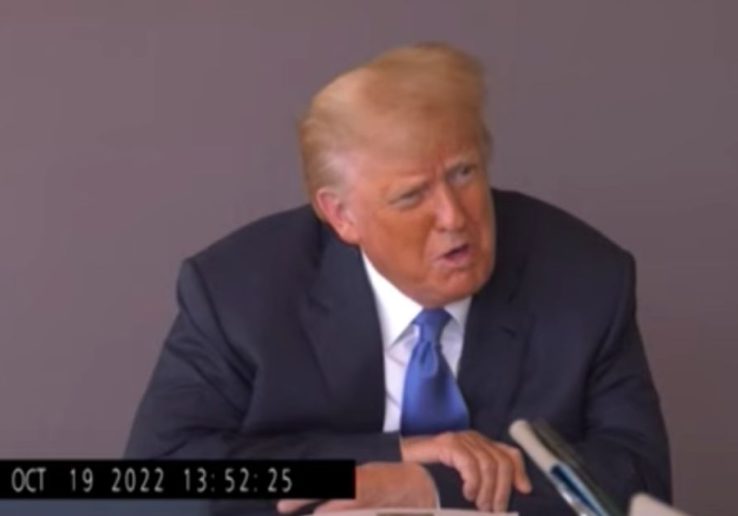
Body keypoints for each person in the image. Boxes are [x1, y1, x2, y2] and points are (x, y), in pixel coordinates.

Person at [126, 43, 671, 515]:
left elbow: (639, 480)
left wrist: (428, 487)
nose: (454, 216)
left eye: (464, 173)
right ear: (341, 215)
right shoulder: (240, 291)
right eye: (412, 196)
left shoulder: (584, 278)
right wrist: (389, 460)